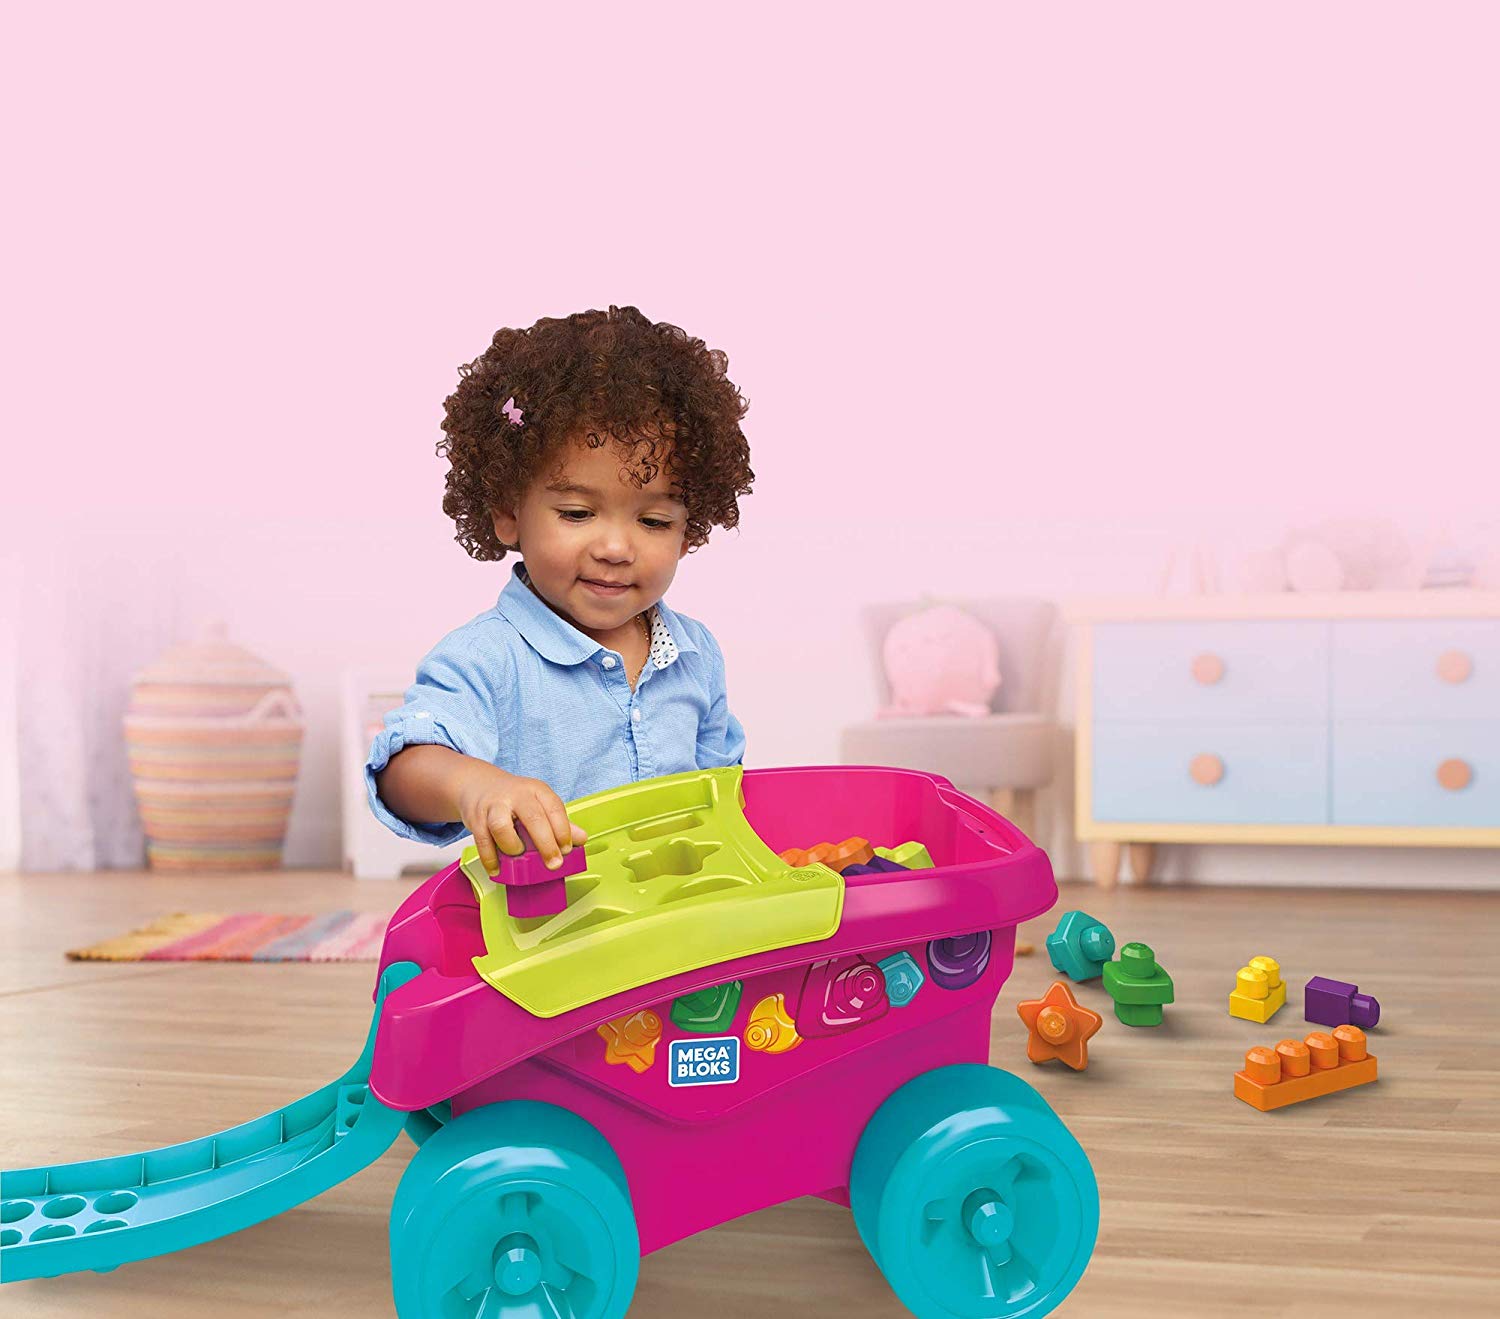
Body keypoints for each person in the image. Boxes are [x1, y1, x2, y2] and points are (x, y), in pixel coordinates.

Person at [367, 305, 754, 877]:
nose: (616, 547)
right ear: (507, 513)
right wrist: (475, 786)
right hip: (549, 923)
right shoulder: (487, 658)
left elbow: (724, 799)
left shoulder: (695, 654)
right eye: (576, 513)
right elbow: (402, 770)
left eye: (654, 522)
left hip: (680, 920)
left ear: (688, 531)